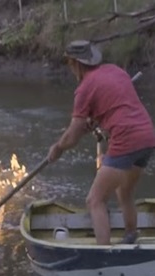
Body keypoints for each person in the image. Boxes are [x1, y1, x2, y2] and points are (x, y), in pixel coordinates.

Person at [47, 40, 155, 245]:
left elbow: (72, 135)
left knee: (94, 200)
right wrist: (96, 120)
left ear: (75, 64)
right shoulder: (115, 71)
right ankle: (131, 236)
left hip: (126, 140)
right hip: (147, 137)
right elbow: (117, 107)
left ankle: (104, 254)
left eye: (69, 64)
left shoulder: (84, 88)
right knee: (124, 192)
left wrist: (58, 147)